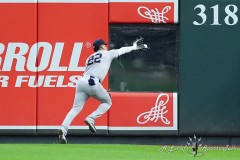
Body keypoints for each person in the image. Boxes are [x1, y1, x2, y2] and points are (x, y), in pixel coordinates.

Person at [58, 37, 147, 144]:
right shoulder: (107, 54)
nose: (106, 46)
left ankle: (63, 129)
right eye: (104, 45)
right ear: (101, 46)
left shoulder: (89, 58)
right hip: (92, 82)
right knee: (107, 101)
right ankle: (91, 119)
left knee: (75, 108)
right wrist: (133, 47)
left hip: (81, 82)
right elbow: (122, 50)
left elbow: (94, 71)